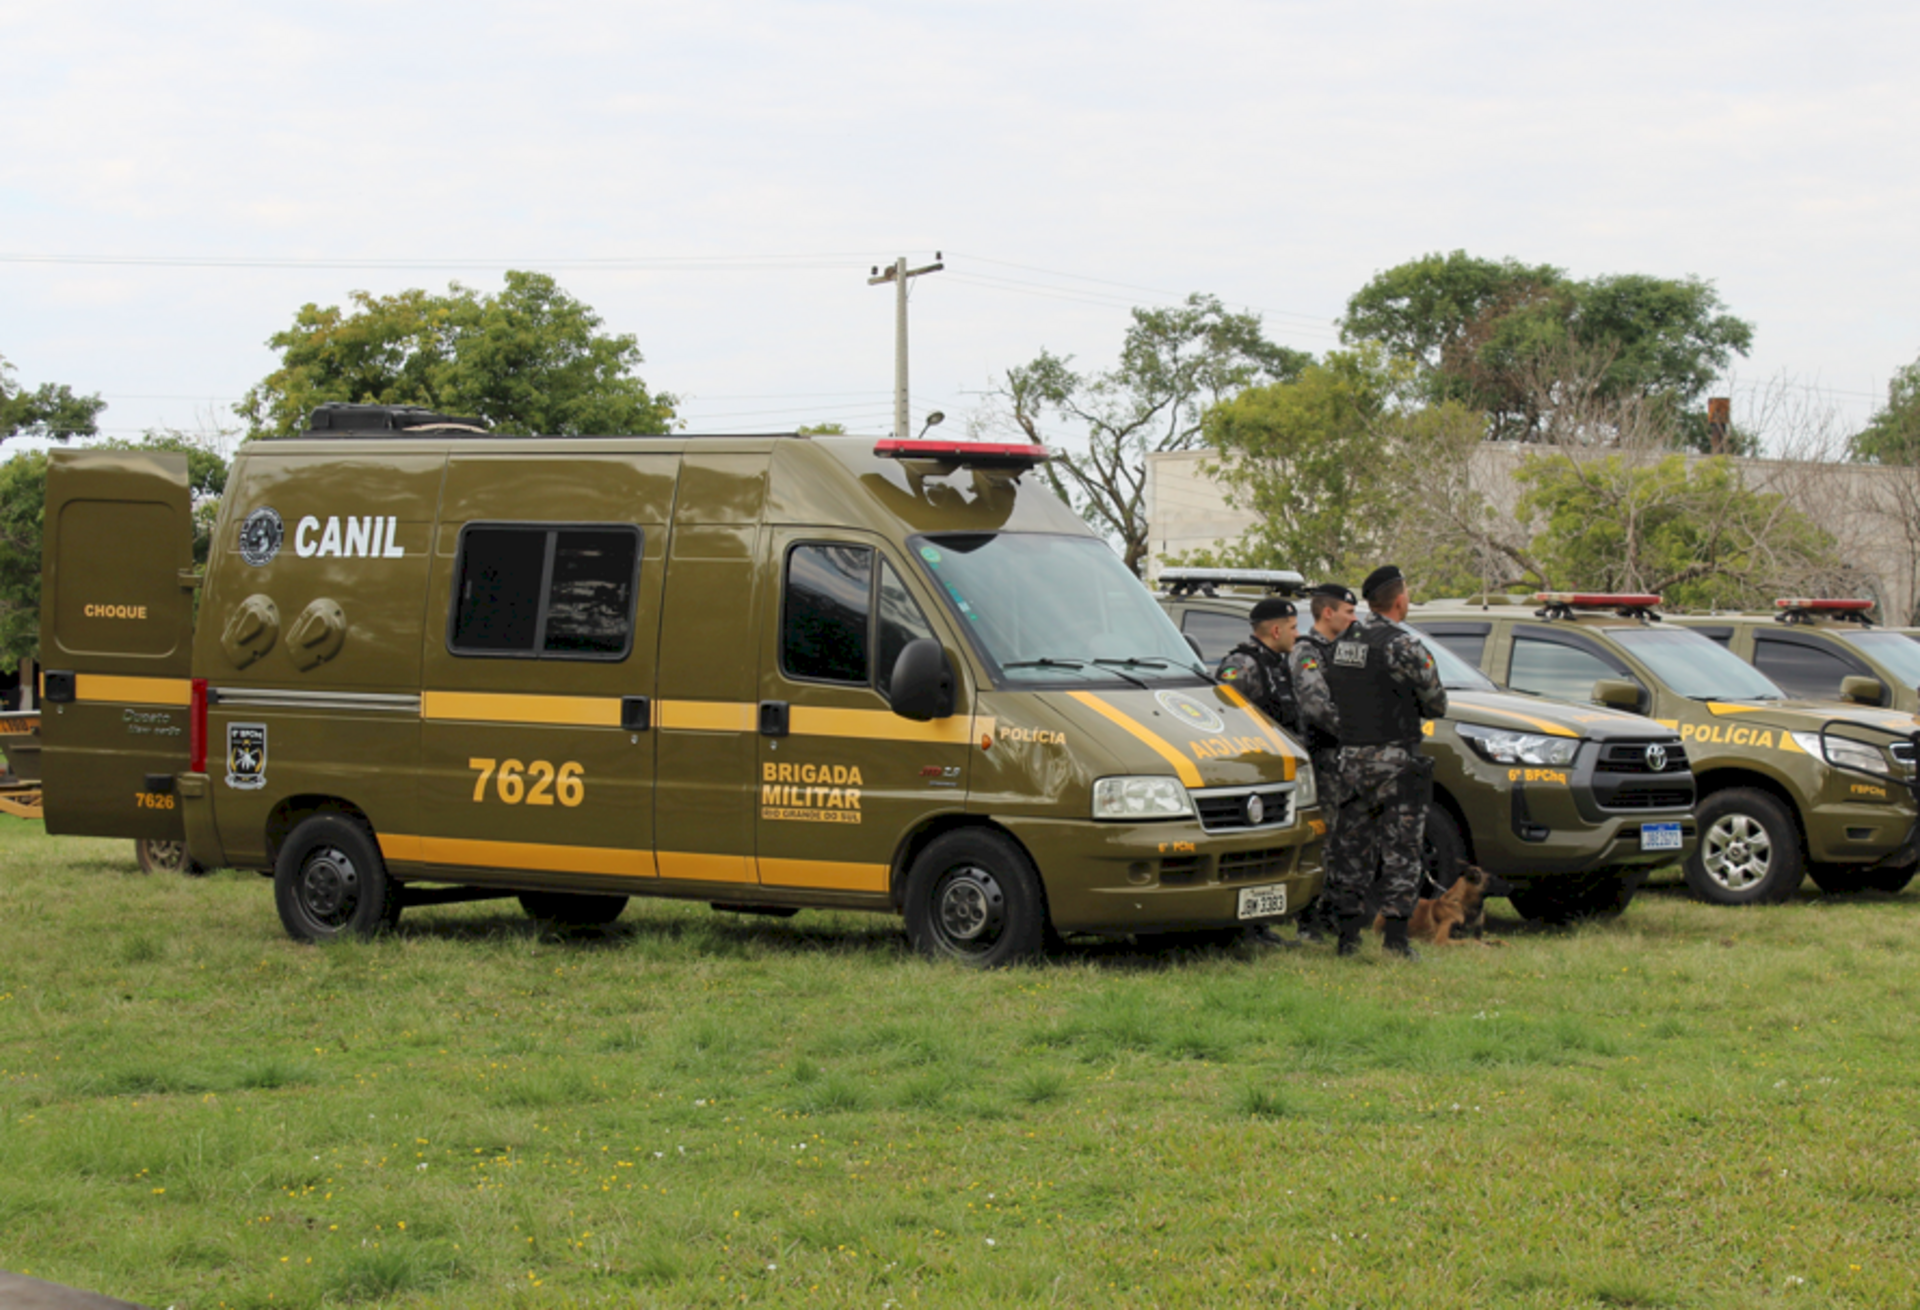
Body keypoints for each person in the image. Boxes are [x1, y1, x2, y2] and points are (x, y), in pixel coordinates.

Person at [1301, 565, 1447, 959]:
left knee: (1351, 847)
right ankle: (1396, 939)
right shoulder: (1402, 645)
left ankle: (1348, 937)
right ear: (1400, 600)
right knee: (1401, 848)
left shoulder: (1343, 641)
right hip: (1394, 758)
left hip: (1349, 759)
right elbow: (1437, 703)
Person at [1289, 581, 1358, 942]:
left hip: (1346, 758)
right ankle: (1309, 918)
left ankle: (1336, 912)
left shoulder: (1345, 650)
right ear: (1327, 612)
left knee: (1346, 838)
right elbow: (1315, 705)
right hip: (1324, 756)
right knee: (1323, 838)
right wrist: (1354, 730)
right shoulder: (1307, 651)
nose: (1354, 618)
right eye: (1348, 611)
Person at [1214, 596, 1299, 735]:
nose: (1297, 634)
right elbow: (1225, 717)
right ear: (1276, 631)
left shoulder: (1277, 663)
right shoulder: (1242, 666)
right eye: (1293, 628)